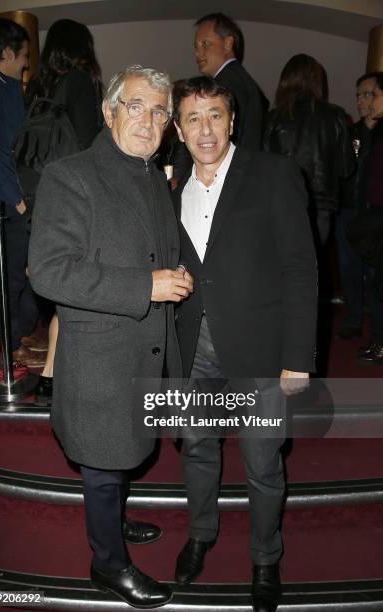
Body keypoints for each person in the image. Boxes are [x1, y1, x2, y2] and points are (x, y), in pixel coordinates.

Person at [28, 65, 193, 608]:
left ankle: (114, 520)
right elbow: (49, 272)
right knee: (102, 463)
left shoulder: (152, 174)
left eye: (159, 112)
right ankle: (108, 563)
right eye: (136, 106)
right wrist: (145, 285)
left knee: (123, 454)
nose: (148, 120)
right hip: (100, 356)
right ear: (109, 111)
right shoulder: (70, 175)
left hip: (143, 350)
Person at [171, 77, 317, 612]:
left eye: (214, 115)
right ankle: (202, 534)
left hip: (259, 350)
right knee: (197, 450)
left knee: (262, 464)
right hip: (193, 350)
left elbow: (301, 270)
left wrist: (297, 359)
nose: (204, 129)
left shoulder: (274, 174)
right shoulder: (172, 186)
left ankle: (264, 557)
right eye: (193, 118)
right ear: (179, 129)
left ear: (232, 122)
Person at [25, 19, 104, 406]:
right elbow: (90, 145)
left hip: (41, 200)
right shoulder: (79, 83)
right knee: (78, 290)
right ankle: (57, 377)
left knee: (64, 292)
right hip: (74, 199)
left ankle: (51, 377)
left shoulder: (41, 88)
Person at [0, 17, 44, 367]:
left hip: (15, 197)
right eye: (23, 56)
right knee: (13, 276)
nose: (27, 62)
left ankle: (21, 333)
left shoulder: (5, 85)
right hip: (7, 202)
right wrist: (14, 200)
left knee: (28, 269)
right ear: (6, 53)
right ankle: (10, 343)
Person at [263, 54, 354, 250]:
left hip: (282, 201)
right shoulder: (336, 115)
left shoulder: (273, 118)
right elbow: (345, 168)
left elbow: (263, 167)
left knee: (283, 268)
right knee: (313, 268)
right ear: (317, 81)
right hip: (320, 206)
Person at [335, 72, 377, 340]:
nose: (361, 100)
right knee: (348, 268)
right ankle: (352, 318)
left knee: (375, 272)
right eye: (359, 94)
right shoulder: (350, 132)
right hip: (348, 209)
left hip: (375, 212)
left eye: (368, 94)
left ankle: (377, 326)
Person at [194, 12, 268, 150]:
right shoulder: (240, 78)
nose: (197, 53)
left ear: (227, 44)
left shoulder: (226, 84)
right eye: (196, 46)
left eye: (205, 43)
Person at [357, 71, 383, 364]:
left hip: (379, 218)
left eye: (374, 95)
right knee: (375, 282)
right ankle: (378, 339)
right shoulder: (373, 132)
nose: (368, 101)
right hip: (374, 218)